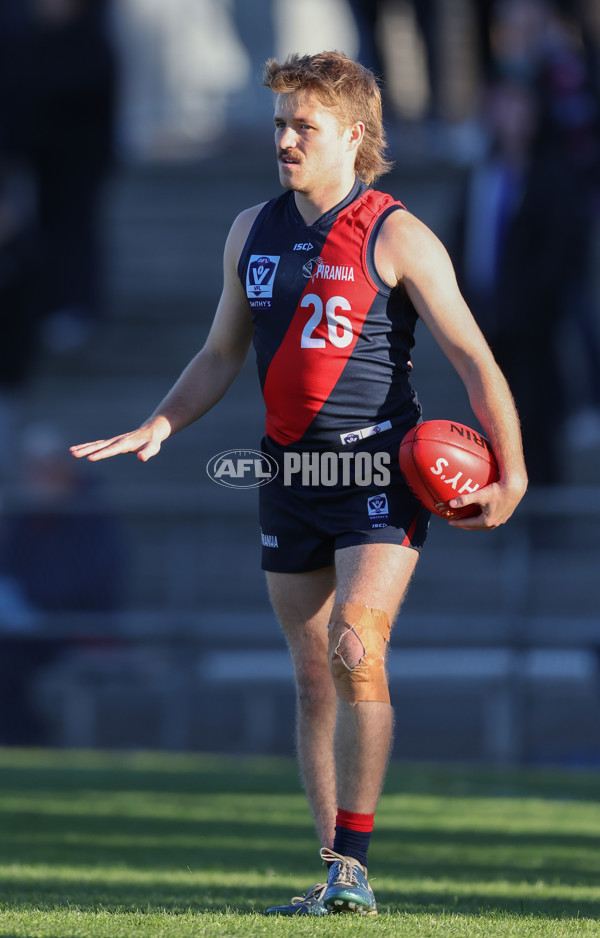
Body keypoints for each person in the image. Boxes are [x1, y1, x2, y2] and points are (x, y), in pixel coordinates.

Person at [71, 51, 527, 916]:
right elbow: (219, 355)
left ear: (354, 136)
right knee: (314, 676)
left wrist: (515, 472)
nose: (283, 139)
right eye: (279, 123)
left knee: (358, 643)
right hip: (289, 474)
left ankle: (355, 866)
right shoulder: (252, 230)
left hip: (377, 471)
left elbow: (474, 354)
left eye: (302, 126)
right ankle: (332, 871)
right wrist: (160, 423)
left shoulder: (397, 233)